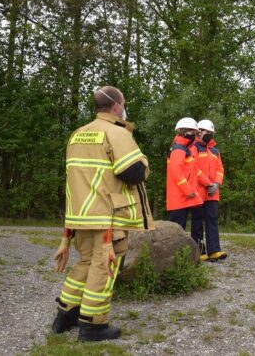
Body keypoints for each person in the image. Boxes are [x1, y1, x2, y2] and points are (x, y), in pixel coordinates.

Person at [51, 86, 154, 341]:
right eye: (124, 103)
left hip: (81, 215)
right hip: (109, 216)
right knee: (104, 267)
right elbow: (132, 173)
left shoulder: (77, 134)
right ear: (117, 106)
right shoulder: (116, 132)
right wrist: (144, 161)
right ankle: (93, 324)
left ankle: (65, 313)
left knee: (86, 262)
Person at [191, 119, 227, 261]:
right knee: (197, 221)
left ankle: (214, 250)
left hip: (213, 192)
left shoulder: (214, 150)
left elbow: (220, 169)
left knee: (212, 220)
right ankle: (199, 251)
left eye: (211, 133)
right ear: (199, 132)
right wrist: (207, 184)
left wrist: (216, 184)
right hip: (199, 191)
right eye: (207, 132)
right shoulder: (193, 147)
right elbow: (194, 169)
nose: (209, 135)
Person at [166, 118, 204, 231]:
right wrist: (188, 191)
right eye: (192, 132)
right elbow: (176, 173)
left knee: (178, 230)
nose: (194, 135)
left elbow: (191, 172)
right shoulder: (179, 149)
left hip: (182, 196)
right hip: (179, 197)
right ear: (183, 132)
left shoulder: (185, 148)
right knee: (175, 232)